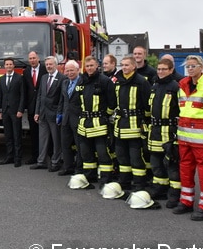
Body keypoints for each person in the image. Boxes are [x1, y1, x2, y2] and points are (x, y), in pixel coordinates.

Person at [173, 55, 203, 221]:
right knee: (185, 171)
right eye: (188, 66)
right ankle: (186, 202)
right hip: (185, 139)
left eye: (194, 66)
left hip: (202, 140)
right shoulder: (182, 86)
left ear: (202, 68)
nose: (191, 69)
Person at [112, 55, 151, 191]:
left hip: (135, 125)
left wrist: (145, 122)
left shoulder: (142, 82)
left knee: (136, 157)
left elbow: (147, 105)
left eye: (127, 65)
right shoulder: (118, 81)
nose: (124, 67)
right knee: (121, 156)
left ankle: (140, 183)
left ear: (134, 66)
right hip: (120, 124)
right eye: (122, 65)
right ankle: (125, 182)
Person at [76, 56, 117, 185]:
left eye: (91, 66)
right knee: (86, 153)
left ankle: (106, 178)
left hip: (99, 123)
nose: (89, 68)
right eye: (87, 66)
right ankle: (89, 176)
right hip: (84, 123)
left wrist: (105, 116)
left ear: (97, 66)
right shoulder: (81, 81)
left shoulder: (105, 81)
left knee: (102, 152)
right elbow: (77, 100)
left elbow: (112, 103)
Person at [147, 57, 180, 207]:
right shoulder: (154, 86)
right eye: (159, 69)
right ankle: (160, 188)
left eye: (164, 69)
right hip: (154, 131)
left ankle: (174, 194)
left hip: (170, 131)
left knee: (171, 164)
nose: (160, 72)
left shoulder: (175, 87)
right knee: (156, 163)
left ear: (171, 70)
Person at [32, 56, 64, 171]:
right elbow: (40, 96)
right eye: (47, 65)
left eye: (51, 64)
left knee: (56, 140)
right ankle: (41, 161)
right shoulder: (44, 77)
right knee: (43, 139)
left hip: (54, 114)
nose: (49, 66)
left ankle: (56, 162)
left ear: (56, 65)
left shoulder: (62, 78)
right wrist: (37, 112)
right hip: (43, 114)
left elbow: (61, 99)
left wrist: (59, 114)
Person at [0, 58, 25, 167]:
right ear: (4, 66)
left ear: (13, 66)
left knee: (17, 135)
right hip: (5, 111)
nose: (8, 66)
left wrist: (20, 110)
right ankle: (9, 156)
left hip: (16, 111)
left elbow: (23, 95)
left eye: (10, 64)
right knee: (7, 135)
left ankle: (18, 158)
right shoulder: (1, 79)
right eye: (6, 64)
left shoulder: (19, 78)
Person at [56, 60, 82, 176]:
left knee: (80, 145)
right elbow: (62, 100)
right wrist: (59, 114)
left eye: (72, 70)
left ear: (78, 70)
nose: (69, 73)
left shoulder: (83, 82)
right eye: (67, 70)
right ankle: (68, 167)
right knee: (65, 144)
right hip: (65, 118)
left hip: (78, 119)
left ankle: (79, 168)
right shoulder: (65, 83)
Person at [22, 51, 47, 165]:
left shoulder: (45, 69)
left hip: (44, 106)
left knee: (46, 133)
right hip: (32, 107)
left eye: (34, 58)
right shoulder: (26, 71)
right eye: (30, 58)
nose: (32, 60)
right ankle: (35, 156)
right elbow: (25, 90)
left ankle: (48, 156)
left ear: (38, 59)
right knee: (34, 134)